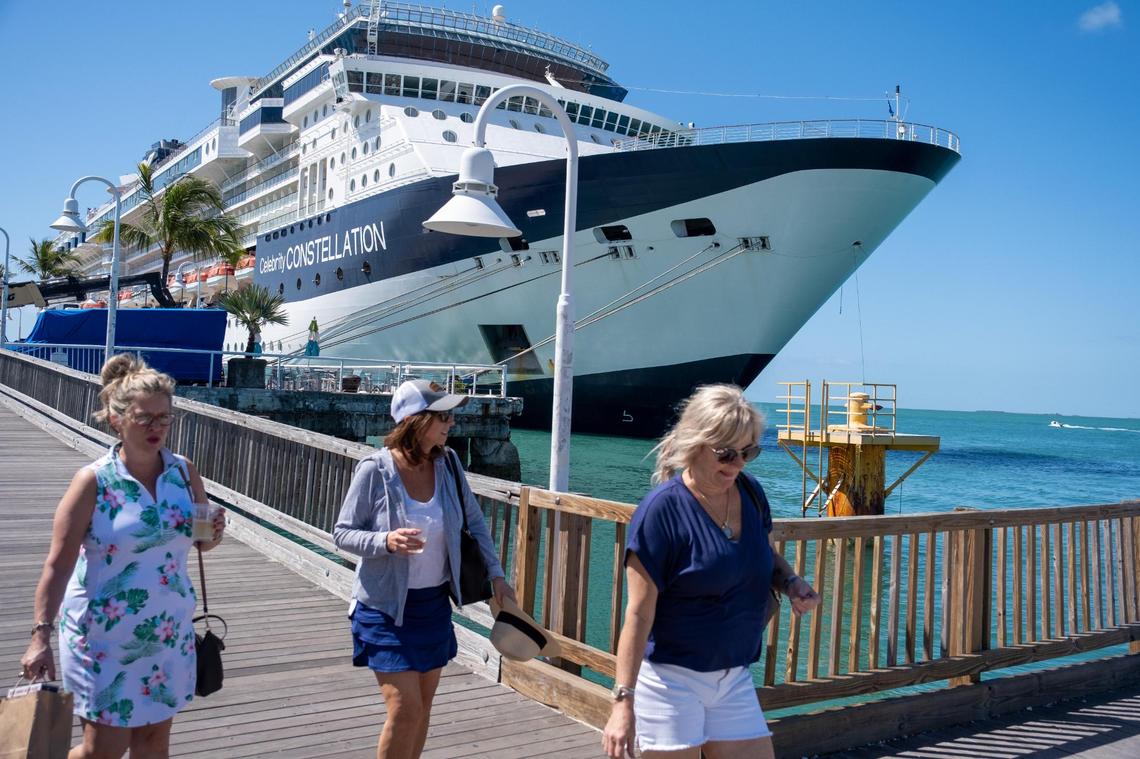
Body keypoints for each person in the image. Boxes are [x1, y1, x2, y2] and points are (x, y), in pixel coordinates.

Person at [19, 353, 226, 758]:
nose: (156, 428)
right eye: (144, 418)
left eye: (164, 418)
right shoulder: (93, 481)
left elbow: (202, 544)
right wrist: (40, 636)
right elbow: (58, 565)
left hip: (167, 631)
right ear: (117, 419)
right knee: (104, 750)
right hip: (102, 636)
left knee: (153, 746)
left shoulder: (184, 472)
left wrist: (214, 533)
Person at [602, 384, 821, 759]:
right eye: (726, 454)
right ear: (695, 444)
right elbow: (638, 614)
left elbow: (762, 553)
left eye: (748, 452)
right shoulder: (661, 512)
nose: (738, 464)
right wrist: (623, 701)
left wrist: (791, 582)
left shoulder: (751, 493)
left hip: (733, 675)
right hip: (671, 680)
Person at [334, 379, 516, 759]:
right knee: (405, 710)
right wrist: (385, 541)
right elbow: (343, 534)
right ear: (415, 421)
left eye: (450, 416)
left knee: (422, 711)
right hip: (384, 608)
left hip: (432, 606)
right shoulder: (375, 470)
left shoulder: (448, 463)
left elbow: (475, 522)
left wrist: (497, 575)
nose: (451, 423)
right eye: (443, 416)